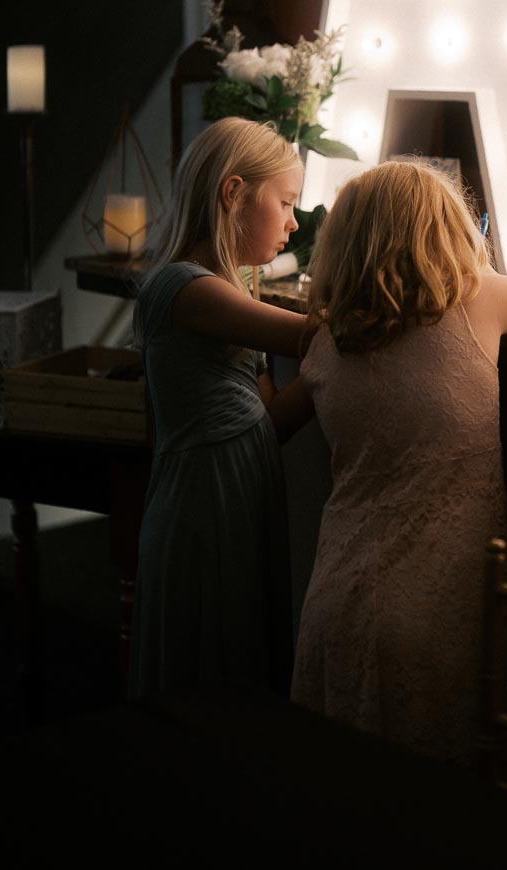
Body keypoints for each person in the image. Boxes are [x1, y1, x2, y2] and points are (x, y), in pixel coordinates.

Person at [291, 160, 507, 766]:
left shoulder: (329, 340)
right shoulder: (477, 300)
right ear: (447, 232)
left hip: (333, 601)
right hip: (438, 614)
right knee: (446, 803)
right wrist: (483, 271)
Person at [128, 117, 312, 700]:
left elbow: (269, 422)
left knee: (240, 662)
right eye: (286, 202)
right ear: (234, 193)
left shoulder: (227, 291)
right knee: (210, 677)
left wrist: (326, 377)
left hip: (239, 492)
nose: (294, 221)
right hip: (203, 501)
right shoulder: (184, 288)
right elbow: (310, 337)